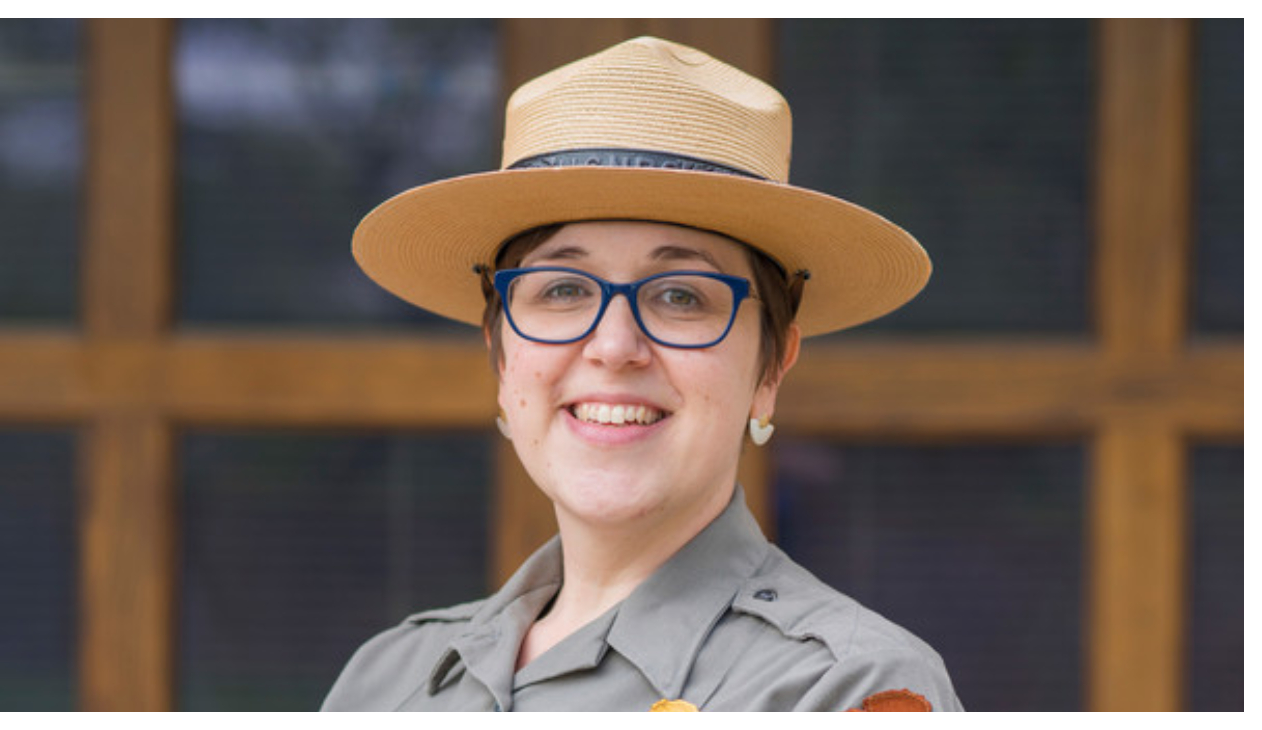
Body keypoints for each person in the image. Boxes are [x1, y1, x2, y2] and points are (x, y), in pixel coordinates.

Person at [322, 35, 962, 712]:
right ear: (502, 354)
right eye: (562, 290)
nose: (614, 346)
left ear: (771, 368)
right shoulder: (389, 679)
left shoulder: (852, 690)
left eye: (681, 295)